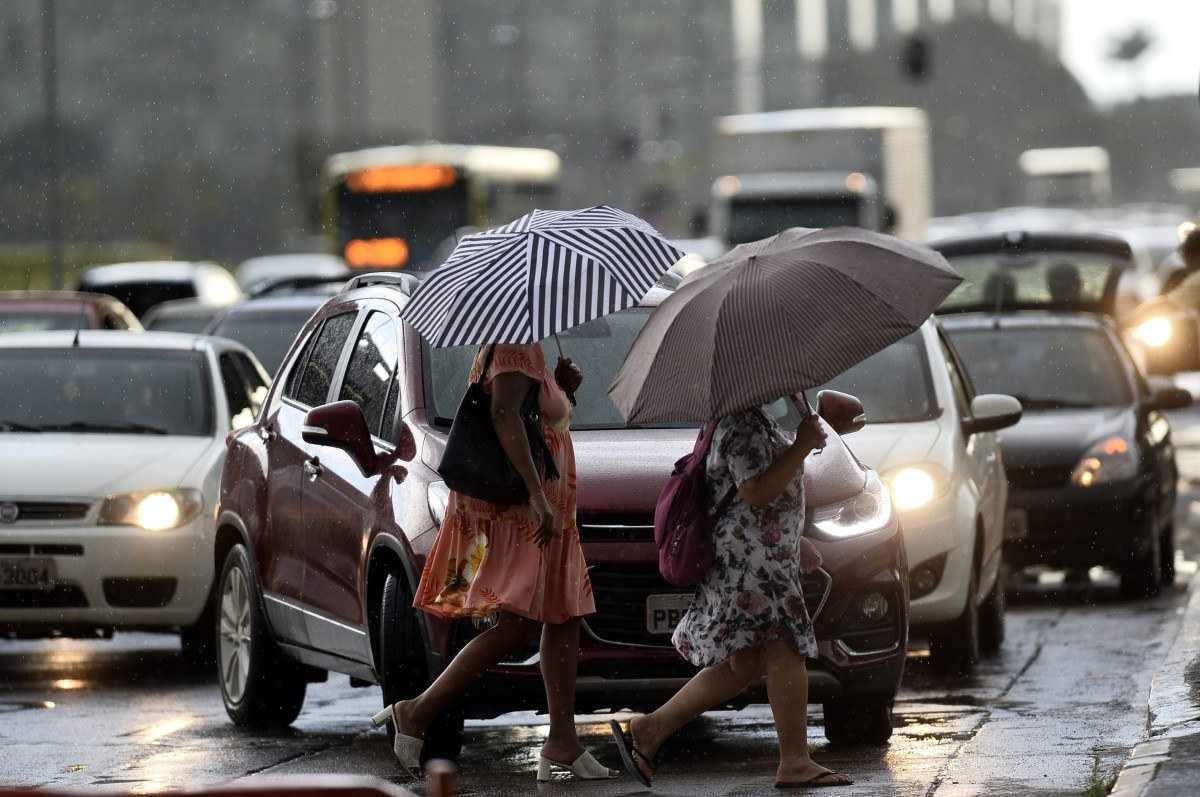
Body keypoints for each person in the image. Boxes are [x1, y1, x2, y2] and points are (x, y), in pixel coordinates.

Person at [372, 343, 617, 782]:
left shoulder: (530, 351)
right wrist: (537, 496)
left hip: (552, 511)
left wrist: (559, 388)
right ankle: (416, 711)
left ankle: (562, 739)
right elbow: (505, 416)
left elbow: (531, 418)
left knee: (564, 616)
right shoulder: (514, 347)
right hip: (530, 513)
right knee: (519, 625)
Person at [610, 401, 854, 789]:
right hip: (752, 562)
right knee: (785, 647)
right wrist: (802, 445)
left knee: (741, 665)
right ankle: (794, 761)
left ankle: (651, 729)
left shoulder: (752, 417)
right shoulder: (739, 422)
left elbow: (753, 495)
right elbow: (755, 491)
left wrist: (794, 537)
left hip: (761, 553)